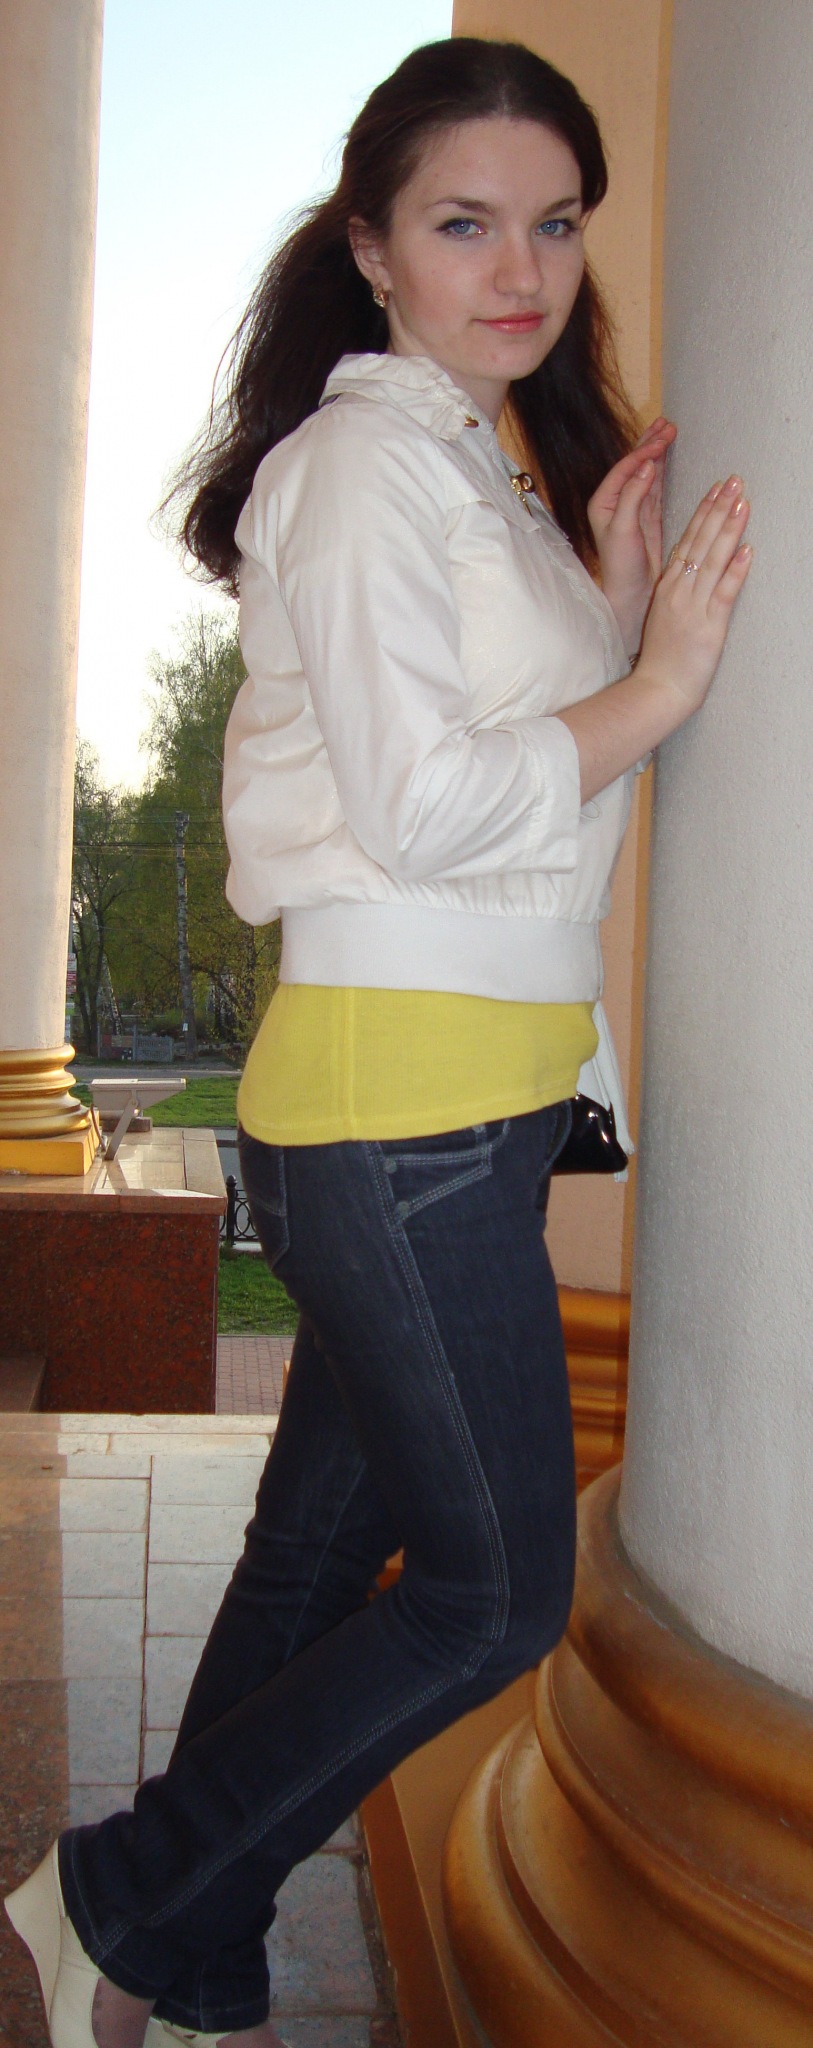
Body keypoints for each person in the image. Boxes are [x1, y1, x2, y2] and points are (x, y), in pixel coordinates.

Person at [5, 35, 752, 2048]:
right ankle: (123, 1889)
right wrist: (660, 682)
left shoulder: (471, 468)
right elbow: (428, 811)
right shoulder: (354, 470)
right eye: (461, 223)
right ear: (369, 247)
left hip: (465, 1101)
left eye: (553, 223)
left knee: (314, 1551)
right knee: (493, 1593)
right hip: (392, 1107)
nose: (520, 270)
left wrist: (608, 606)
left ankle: (185, 1945)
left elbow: (518, 792)